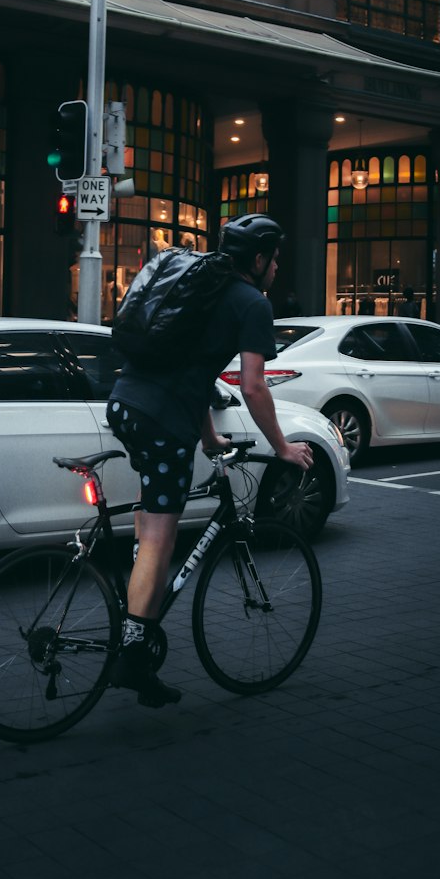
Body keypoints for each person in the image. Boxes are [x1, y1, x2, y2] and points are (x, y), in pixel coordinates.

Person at [105, 215, 313, 710]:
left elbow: (188, 367)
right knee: (162, 536)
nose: (278, 267)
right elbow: (254, 385)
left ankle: (138, 614)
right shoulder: (250, 304)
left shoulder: (199, 284)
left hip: (125, 404)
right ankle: (132, 653)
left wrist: (209, 436)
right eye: (275, 258)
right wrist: (282, 447)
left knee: (149, 520)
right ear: (258, 260)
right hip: (161, 420)